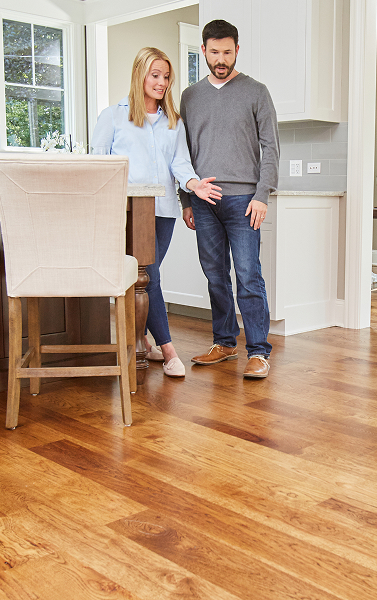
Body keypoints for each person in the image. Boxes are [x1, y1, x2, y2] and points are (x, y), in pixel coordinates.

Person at [91, 47, 221, 378]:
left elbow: (180, 163)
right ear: (140, 75)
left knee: (143, 279)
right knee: (150, 276)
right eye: (155, 75)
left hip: (162, 211)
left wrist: (194, 185)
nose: (162, 82)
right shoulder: (113, 116)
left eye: (166, 77)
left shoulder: (173, 122)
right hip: (128, 211)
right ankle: (169, 350)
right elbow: (99, 164)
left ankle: (142, 342)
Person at [179, 19, 279, 379]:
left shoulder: (256, 92)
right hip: (203, 201)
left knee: (249, 275)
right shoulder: (190, 96)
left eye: (227, 52)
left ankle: (258, 351)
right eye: (214, 52)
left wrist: (262, 194)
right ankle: (224, 342)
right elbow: (183, 152)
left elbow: (271, 148)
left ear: (237, 50)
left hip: (244, 200)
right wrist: (186, 200)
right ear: (203, 51)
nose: (220, 59)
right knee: (215, 276)